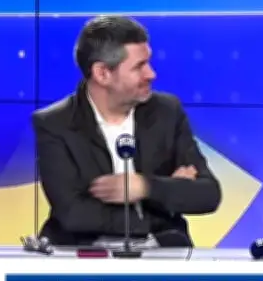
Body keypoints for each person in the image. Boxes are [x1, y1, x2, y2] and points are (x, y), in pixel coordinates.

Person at [33, 15, 222, 247]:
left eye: (148, 63)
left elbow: (208, 194)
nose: (151, 74)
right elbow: (74, 214)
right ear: (102, 73)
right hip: (82, 254)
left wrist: (145, 186)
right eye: (139, 66)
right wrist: (164, 200)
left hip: (162, 250)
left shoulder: (166, 111)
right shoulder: (55, 123)